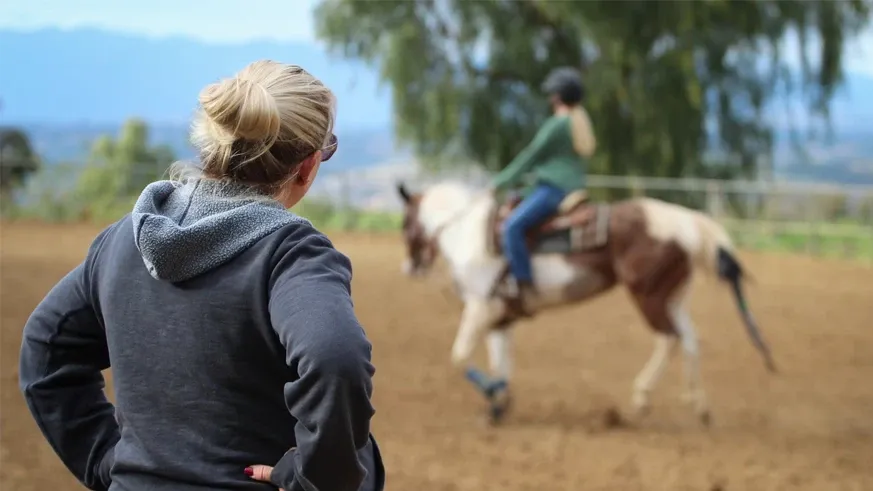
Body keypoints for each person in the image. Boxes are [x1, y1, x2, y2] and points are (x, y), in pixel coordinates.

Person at [18, 60, 384, 491]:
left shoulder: (121, 241)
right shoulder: (290, 255)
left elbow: (46, 346)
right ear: (306, 166)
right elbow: (335, 359)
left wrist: (109, 461)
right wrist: (313, 479)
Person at [490, 66, 597, 315]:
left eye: (552, 94)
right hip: (568, 185)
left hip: (554, 188)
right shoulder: (579, 122)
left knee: (512, 226)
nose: (550, 99)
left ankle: (523, 284)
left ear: (558, 96)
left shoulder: (558, 124)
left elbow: (531, 156)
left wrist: (501, 181)